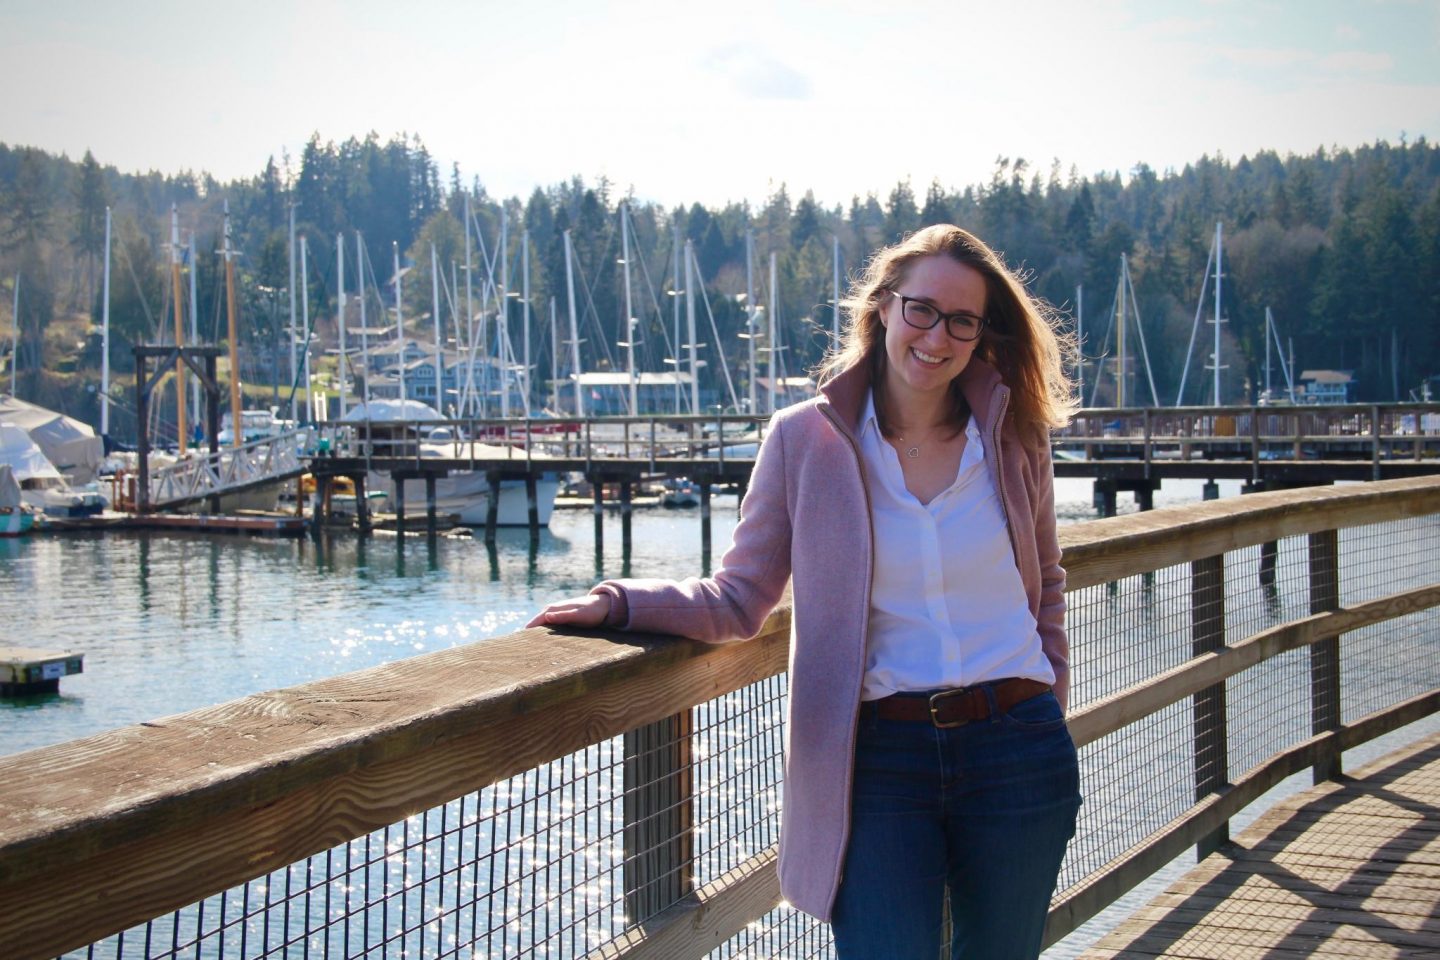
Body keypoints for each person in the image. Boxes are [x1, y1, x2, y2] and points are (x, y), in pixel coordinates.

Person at [528, 224, 1080, 959]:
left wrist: (1048, 697)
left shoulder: (1015, 437)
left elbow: (1045, 584)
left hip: (1017, 746)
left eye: (961, 320)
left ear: (981, 336)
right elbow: (737, 598)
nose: (936, 336)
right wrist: (624, 604)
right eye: (921, 309)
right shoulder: (803, 440)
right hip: (882, 760)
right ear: (884, 306)